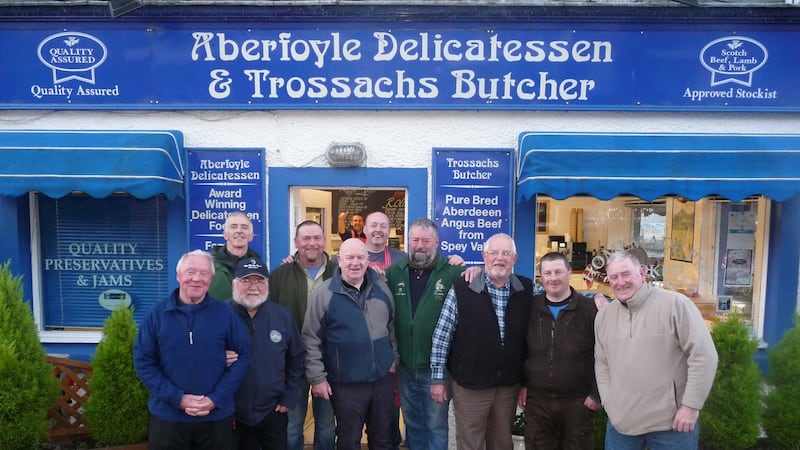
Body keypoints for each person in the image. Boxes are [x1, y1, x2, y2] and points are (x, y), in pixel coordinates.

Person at [595, 250, 718, 449]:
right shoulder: (604, 317)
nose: (620, 282)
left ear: (642, 274)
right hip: (621, 427)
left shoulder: (676, 305)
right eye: (614, 277)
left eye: (626, 274)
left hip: (672, 426)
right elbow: (602, 364)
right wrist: (610, 404)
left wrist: (691, 406)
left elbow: (704, 356)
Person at [134, 249, 251, 450]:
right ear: (178, 276)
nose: (197, 279)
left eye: (204, 273)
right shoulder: (157, 315)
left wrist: (216, 399)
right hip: (168, 418)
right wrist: (177, 398)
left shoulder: (225, 314)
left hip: (216, 418)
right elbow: (144, 362)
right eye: (190, 272)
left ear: (211, 279)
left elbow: (244, 355)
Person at [430, 233, 533, 450]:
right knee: (471, 443)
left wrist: (598, 298)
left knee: (502, 442)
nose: (500, 258)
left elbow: (557, 294)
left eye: (506, 253)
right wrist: (438, 378)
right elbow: (442, 333)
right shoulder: (463, 287)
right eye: (494, 252)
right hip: (470, 385)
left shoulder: (526, 289)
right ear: (484, 256)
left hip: (507, 386)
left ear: (515, 259)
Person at [302, 238, 398, 450]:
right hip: (345, 383)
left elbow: (392, 324)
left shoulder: (381, 286)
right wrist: (317, 378)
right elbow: (310, 338)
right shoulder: (325, 293)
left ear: (368, 259)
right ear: (339, 260)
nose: (355, 263)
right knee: (348, 440)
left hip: (382, 379)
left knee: (383, 438)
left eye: (360, 257)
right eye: (350, 257)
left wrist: (394, 359)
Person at [384, 218, 466, 450]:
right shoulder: (394, 273)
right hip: (405, 366)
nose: (420, 245)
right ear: (409, 241)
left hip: (437, 368)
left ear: (437, 242)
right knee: (413, 424)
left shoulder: (454, 271)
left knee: (436, 425)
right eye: (415, 240)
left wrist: (474, 268)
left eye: (426, 240)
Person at [520, 252, 600, 450]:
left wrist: (597, 395)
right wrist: (521, 384)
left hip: (577, 404)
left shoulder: (590, 310)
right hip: (538, 404)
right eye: (547, 273)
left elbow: (606, 355)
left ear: (570, 273)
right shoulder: (530, 307)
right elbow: (520, 349)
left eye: (558, 272)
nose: (553, 278)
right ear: (541, 277)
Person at [269, 220, 338, 450]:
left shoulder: (339, 272)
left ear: (324, 241)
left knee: (327, 426)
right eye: (306, 238)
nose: (312, 243)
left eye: (317, 238)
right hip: (291, 364)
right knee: (292, 424)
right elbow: (269, 318)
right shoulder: (279, 275)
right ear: (296, 242)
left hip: (329, 363)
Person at [229, 256, 305, 450]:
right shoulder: (219, 314)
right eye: (246, 280)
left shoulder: (282, 316)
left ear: (267, 284)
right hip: (230, 414)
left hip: (272, 412)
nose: (253, 286)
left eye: (260, 280)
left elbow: (296, 360)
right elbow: (201, 359)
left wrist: (289, 397)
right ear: (234, 283)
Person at [209, 212, 263, 301]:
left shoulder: (259, 267)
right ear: (225, 235)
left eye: (244, 227)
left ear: (251, 236)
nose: (239, 231)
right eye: (233, 227)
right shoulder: (209, 266)